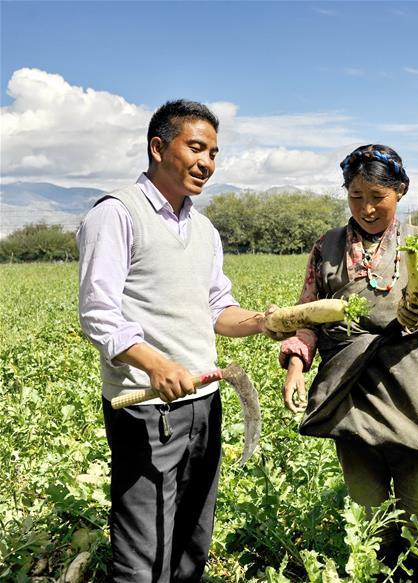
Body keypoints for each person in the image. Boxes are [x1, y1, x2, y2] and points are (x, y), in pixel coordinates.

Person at [77, 99, 283, 582]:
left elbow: (217, 309)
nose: (207, 163)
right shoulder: (116, 214)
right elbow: (98, 312)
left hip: (203, 403)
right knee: (143, 551)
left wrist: (263, 321)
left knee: (192, 540)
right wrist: (154, 363)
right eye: (196, 148)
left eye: (213, 153)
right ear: (157, 147)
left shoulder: (204, 229)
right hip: (148, 406)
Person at [278, 144, 418, 582]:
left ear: (399, 192)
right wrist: (295, 363)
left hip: (410, 387)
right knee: (368, 513)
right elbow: (306, 315)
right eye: (355, 196)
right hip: (350, 390)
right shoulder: (327, 248)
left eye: (377, 197)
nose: (366, 207)